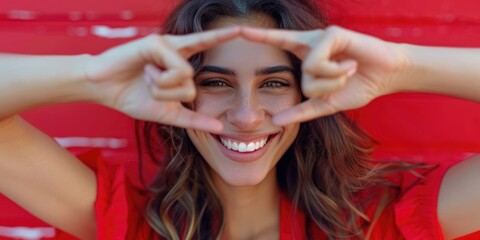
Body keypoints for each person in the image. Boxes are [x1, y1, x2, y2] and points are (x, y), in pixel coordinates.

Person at [0, 0, 479, 239]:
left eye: (273, 83)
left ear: (312, 94)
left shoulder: (381, 226)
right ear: (182, 94)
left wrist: (400, 67)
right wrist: (91, 76)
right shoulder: (129, 227)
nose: (247, 116)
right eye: (215, 83)